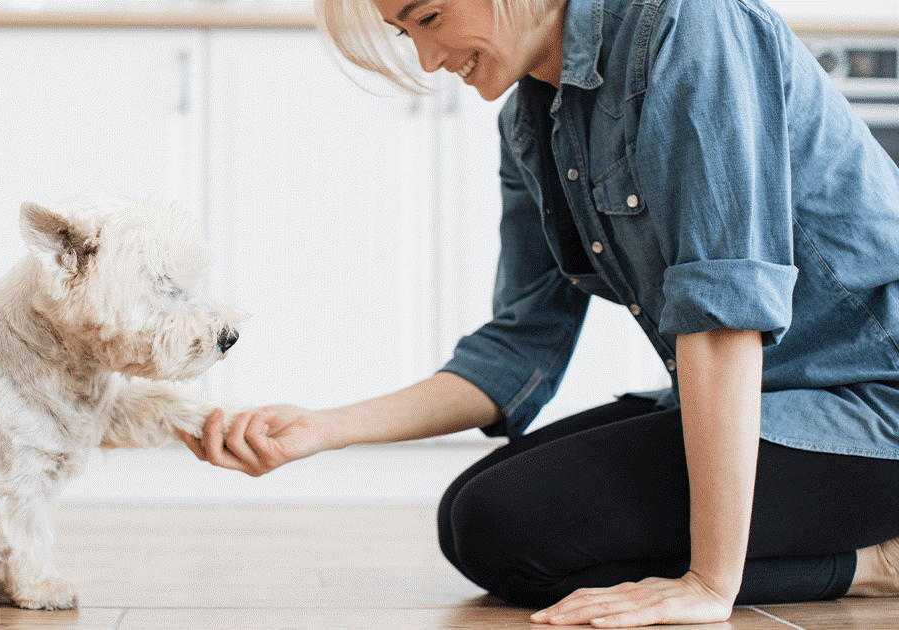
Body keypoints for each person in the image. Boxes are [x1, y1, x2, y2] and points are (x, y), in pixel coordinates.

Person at [180, 0, 899, 625]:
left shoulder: (689, 22)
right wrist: (324, 429)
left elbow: (721, 316)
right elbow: (518, 346)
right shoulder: (531, 119)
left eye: (430, 17)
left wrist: (708, 585)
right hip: (782, 402)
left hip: (875, 409)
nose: (430, 60)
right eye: (406, 35)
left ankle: (876, 566)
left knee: (515, 523)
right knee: (473, 519)